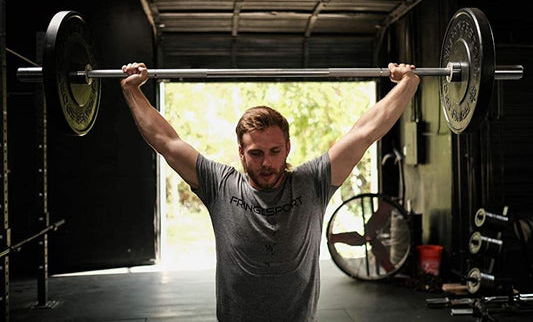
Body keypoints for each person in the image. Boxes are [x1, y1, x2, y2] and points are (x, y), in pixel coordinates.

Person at [120, 62, 420, 321]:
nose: (267, 162)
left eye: (275, 151)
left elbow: (363, 133)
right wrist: (132, 90)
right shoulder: (220, 185)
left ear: (287, 147)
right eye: (256, 153)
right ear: (241, 152)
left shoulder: (312, 182)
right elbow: (165, 141)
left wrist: (407, 84)